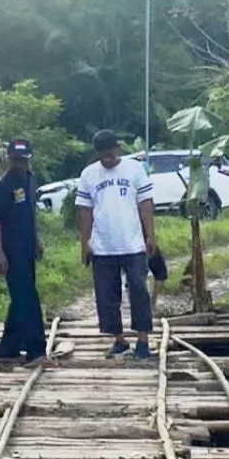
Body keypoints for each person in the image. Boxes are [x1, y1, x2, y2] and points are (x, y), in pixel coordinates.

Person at [76, 130, 156, 359]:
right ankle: (119, 340)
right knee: (106, 296)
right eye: (103, 156)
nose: (108, 160)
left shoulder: (134, 170)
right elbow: (85, 212)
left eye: (110, 154)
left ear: (118, 149)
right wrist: (85, 243)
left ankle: (143, 341)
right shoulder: (89, 174)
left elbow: (146, 205)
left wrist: (150, 236)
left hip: (133, 244)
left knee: (139, 292)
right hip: (102, 246)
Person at [0, 138, 47, 365]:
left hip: (28, 247)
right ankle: (37, 352)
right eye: (15, 160)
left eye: (23, 160)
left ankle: (8, 348)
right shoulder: (1, 187)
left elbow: (30, 214)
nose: (19, 164)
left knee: (21, 298)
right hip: (11, 250)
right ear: (9, 159)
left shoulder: (31, 180)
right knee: (28, 299)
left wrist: (37, 241)